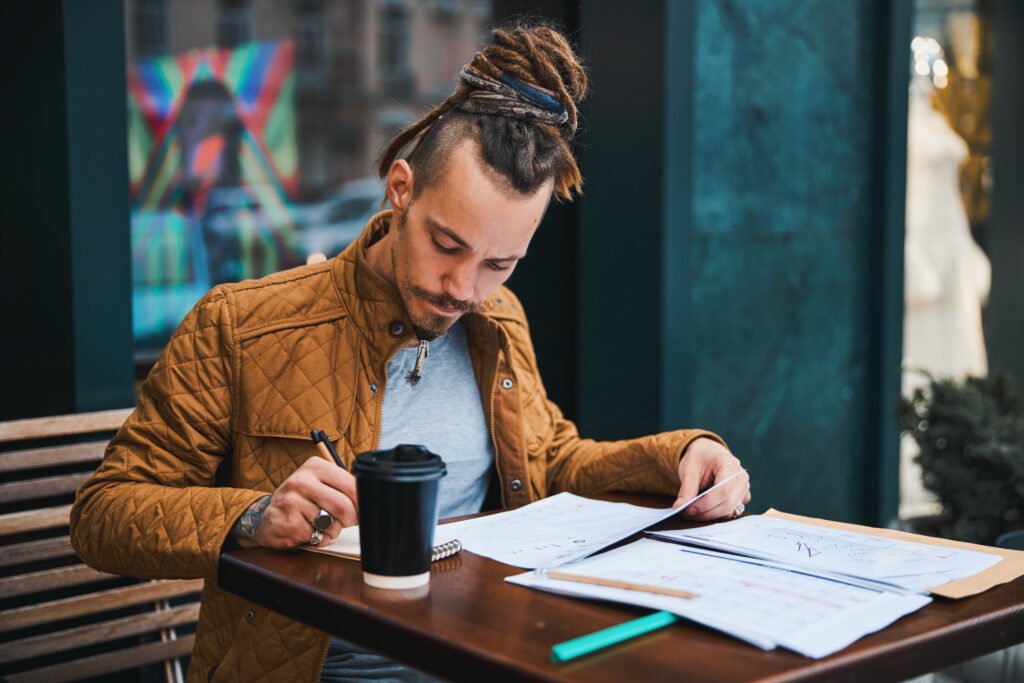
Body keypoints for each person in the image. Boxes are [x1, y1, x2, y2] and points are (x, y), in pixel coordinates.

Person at [71, 20, 750, 683]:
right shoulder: (241, 325)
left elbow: (551, 460)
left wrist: (680, 456)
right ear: (401, 190)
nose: (464, 288)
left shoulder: (499, 320)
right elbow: (103, 513)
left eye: (499, 263)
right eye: (447, 245)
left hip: (483, 658)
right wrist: (250, 516)